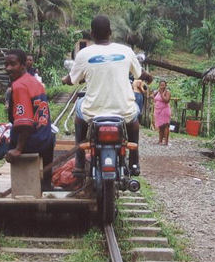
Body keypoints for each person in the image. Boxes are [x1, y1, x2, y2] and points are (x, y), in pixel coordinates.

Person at [62, 15, 153, 177]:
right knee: (133, 120)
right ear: (110, 32)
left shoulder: (84, 54)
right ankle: (134, 160)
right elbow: (140, 73)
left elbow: (72, 80)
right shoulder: (126, 51)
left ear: (91, 33)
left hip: (93, 111)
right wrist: (148, 76)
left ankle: (79, 161)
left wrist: (65, 79)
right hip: (122, 110)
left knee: (78, 111)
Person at [0, 49, 55, 194]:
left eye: (12, 64)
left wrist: (18, 149)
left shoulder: (19, 86)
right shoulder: (36, 83)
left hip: (30, 142)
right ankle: (47, 182)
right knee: (51, 132)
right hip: (44, 140)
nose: (8, 68)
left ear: (23, 65)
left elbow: (24, 124)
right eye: (6, 64)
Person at [153, 80, 171, 145]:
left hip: (165, 110)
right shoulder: (157, 92)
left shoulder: (167, 92)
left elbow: (166, 100)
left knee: (166, 125)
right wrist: (156, 93)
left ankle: (166, 142)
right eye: (161, 85)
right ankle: (160, 141)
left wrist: (161, 94)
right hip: (158, 111)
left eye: (163, 85)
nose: (162, 86)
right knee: (160, 126)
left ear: (165, 85)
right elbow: (153, 97)